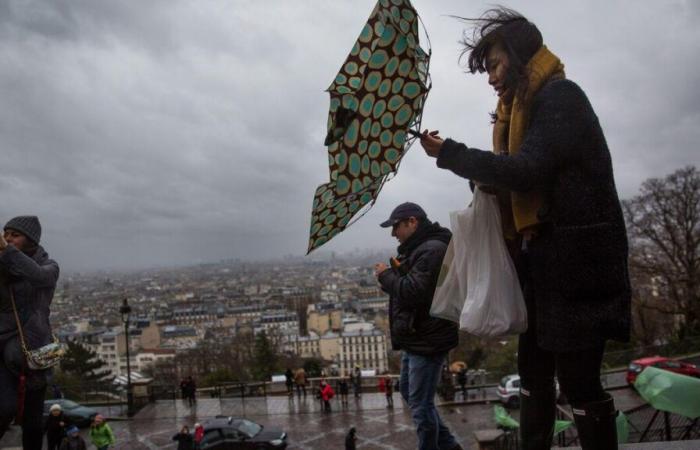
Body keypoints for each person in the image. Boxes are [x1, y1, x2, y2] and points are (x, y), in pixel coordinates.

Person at [419, 8, 630, 449]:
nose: (491, 78)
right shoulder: (521, 111)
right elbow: (522, 174)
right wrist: (479, 176)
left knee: (578, 381)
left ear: (518, 56)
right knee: (534, 373)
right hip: (546, 265)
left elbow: (528, 170)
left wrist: (452, 154)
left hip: (577, 267)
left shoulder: (560, 98)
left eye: (494, 65)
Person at [374, 203, 462, 450]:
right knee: (408, 392)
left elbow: (413, 291)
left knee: (421, 406)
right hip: (417, 336)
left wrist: (385, 275)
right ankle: (449, 445)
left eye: (396, 227)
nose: (394, 234)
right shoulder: (421, 248)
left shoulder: (432, 250)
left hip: (427, 338)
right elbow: (417, 285)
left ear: (412, 222)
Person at [0, 216, 60, 450]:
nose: (7, 238)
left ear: (31, 239)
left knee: (33, 422)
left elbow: (37, 275)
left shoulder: (49, 266)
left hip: (34, 352)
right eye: (5, 233)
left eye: (14, 234)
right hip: (5, 348)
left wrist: (7, 252)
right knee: (4, 409)